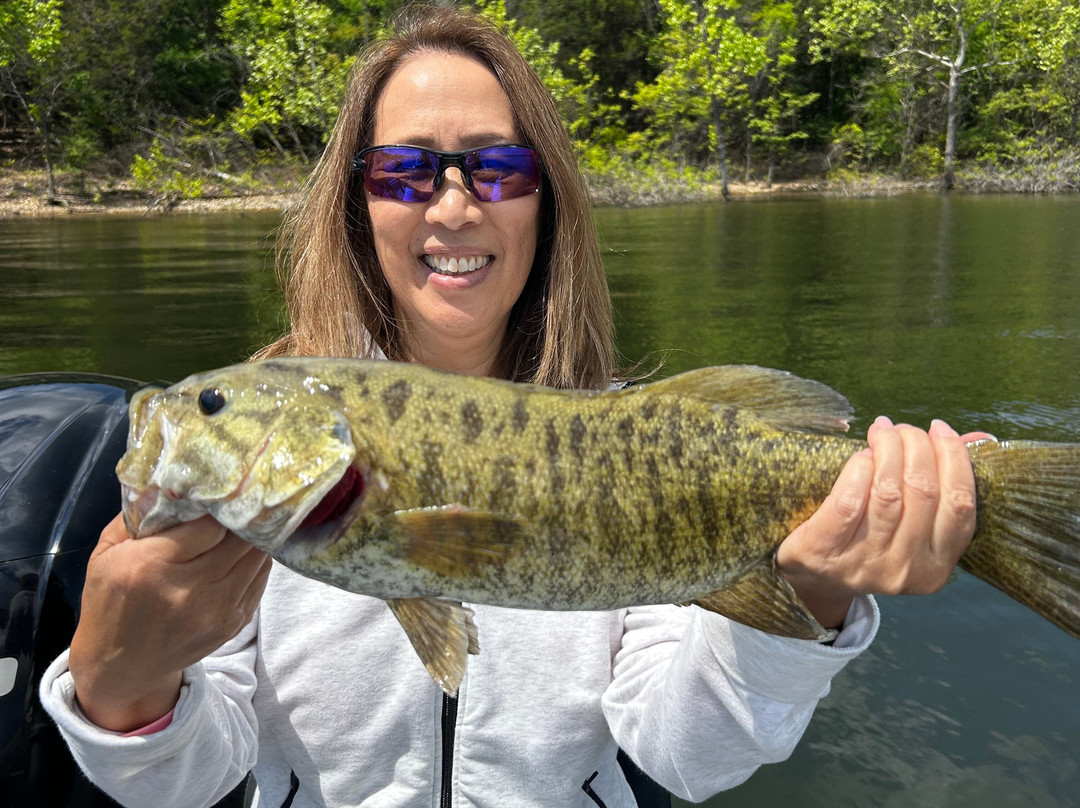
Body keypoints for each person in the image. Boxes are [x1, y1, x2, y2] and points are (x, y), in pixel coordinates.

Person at [40, 6, 986, 807]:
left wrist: (813, 592)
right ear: (358, 205)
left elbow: (684, 755)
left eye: (496, 170)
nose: (452, 209)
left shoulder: (637, 437)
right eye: (404, 173)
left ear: (547, 200)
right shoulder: (247, 512)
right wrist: (123, 686)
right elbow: (188, 782)